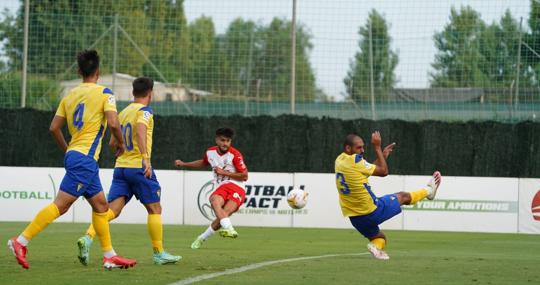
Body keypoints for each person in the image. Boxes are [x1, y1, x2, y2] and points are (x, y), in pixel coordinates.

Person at [7, 50, 136, 269]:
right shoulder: (105, 93)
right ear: (99, 71)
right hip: (85, 159)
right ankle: (20, 241)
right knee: (62, 206)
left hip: (78, 156)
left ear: (79, 71)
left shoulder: (70, 95)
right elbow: (114, 124)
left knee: (101, 206)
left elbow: (53, 128)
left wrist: (68, 149)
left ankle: (109, 255)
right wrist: (122, 145)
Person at [76, 77, 181, 266]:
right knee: (155, 209)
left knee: (111, 211)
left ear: (133, 93)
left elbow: (111, 142)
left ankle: (88, 237)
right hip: (138, 167)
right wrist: (145, 158)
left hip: (121, 168)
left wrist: (120, 151)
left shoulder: (123, 113)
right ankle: (159, 253)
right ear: (150, 93)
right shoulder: (145, 111)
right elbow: (141, 131)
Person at [335, 131, 441, 260]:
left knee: (379, 238)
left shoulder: (339, 161)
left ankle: (375, 247)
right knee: (403, 196)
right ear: (348, 148)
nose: (362, 150)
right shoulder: (355, 160)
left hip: (355, 218)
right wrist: (377, 147)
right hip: (372, 211)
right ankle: (429, 191)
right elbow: (384, 172)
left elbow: (365, 170)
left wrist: (383, 156)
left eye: (363, 147)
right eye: (359, 147)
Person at [174, 128, 248, 249]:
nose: (225, 143)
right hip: (222, 186)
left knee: (223, 216)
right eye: (222, 140)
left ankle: (202, 237)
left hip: (237, 187)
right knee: (214, 200)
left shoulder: (235, 155)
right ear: (216, 140)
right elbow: (203, 162)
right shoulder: (210, 152)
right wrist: (184, 164)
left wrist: (224, 172)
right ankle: (229, 228)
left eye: (228, 141)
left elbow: (245, 176)